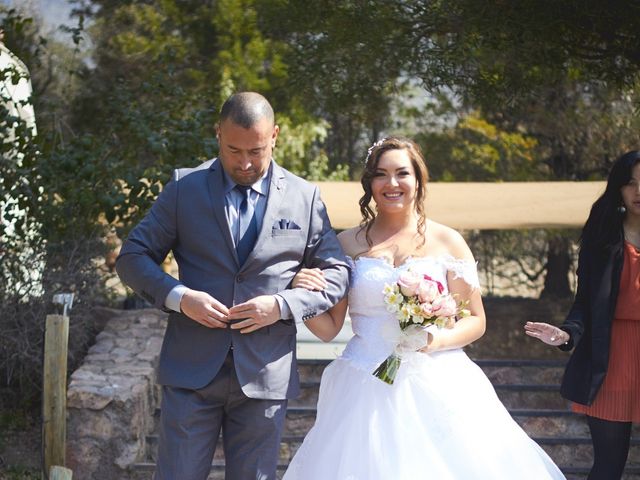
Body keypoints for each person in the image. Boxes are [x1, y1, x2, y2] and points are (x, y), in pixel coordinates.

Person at [283, 137, 565, 479]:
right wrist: (303, 297)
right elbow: (329, 329)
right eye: (381, 175)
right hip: (363, 379)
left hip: (438, 377)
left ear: (418, 180)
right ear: (369, 183)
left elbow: (475, 320)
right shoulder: (346, 243)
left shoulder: (448, 240)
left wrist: (435, 340)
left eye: (402, 173)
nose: (392, 183)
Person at [115, 92, 350, 480]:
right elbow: (132, 257)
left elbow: (338, 270)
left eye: (256, 151)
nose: (244, 163)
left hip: (265, 372)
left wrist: (283, 305)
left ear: (275, 135)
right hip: (191, 370)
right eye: (233, 150)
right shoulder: (183, 189)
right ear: (217, 135)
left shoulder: (304, 198)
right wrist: (180, 297)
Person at [525, 150, 640, 480]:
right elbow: (585, 304)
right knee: (608, 466)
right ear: (618, 188)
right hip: (611, 359)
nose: (638, 192)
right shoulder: (601, 238)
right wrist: (566, 334)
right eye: (630, 183)